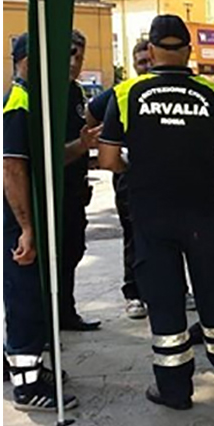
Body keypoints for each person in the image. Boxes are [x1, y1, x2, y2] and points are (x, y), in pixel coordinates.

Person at [96, 15, 214, 410]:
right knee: (213, 292)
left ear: (150, 51)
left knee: (165, 299)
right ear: (188, 51)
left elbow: (108, 158)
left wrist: (142, 166)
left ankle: (174, 389)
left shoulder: (126, 94)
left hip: (152, 213)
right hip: (202, 211)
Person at [0, 30, 102, 411]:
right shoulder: (20, 101)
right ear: (29, 61)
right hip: (19, 213)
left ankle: (31, 366)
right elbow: (12, 167)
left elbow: (48, 157)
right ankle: (26, 385)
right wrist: (26, 227)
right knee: (24, 292)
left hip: (40, 208)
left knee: (38, 288)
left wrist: (82, 145)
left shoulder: (41, 99)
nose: (66, 65)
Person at [87, 39, 155, 319]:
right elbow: (91, 116)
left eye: (150, 60)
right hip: (130, 175)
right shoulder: (121, 93)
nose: (147, 66)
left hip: (166, 175)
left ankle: (175, 288)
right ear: (134, 65)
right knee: (133, 234)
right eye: (141, 63)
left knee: (171, 233)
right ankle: (134, 294)